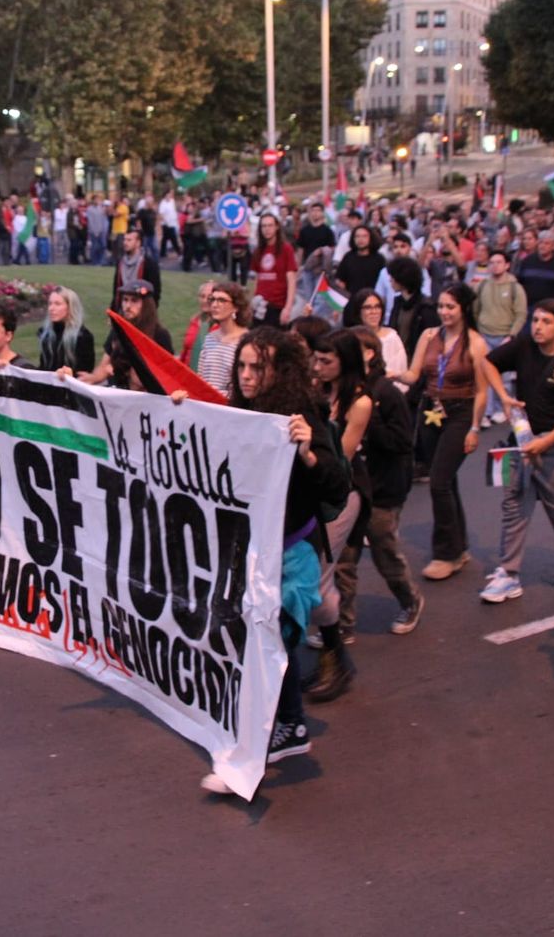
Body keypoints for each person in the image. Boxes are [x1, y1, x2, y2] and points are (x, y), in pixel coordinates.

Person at [200, 328, 350, 794]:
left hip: (290, 558)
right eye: (240, 367)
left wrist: (308, 454)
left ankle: (251, 760)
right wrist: (180, 411)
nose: (245, 376)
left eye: (256, 368)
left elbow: (336, 487)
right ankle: (291, 726)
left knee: (267, 653)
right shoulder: (239, 411)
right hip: (249, 554)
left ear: (279, 370)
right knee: (265, 652)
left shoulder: (304, 417)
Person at [478, 298, 554, 602]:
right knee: (515, 505)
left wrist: (547, 441)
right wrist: (503, 396)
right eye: (535, 320)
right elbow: (488, 362)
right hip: (522, 438)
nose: (538, 327)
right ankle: (509, 573)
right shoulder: (524, 345)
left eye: (546, 322)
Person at [395, 283, 491, 579]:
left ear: (463, 309)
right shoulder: (428, 336)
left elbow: (482, 391)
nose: (444, 312)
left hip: (460, 413)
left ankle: (446, 554)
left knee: (438, 482)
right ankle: (459, 547)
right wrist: (387, 373)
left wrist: (475, 428)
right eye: (441, 306)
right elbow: (413, 375)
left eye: (450, 306)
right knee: (447, 482)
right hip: (430, 411)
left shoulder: (475, 342)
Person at [334, 325, 423, 636]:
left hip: (383, 489)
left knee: (385, 552)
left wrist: (367, 421)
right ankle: (343, 623)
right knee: (343, 559)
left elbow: (402, 442)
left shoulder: (385, 393)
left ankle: (410, 600)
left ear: (369, 354)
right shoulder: (345, 390)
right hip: (352, 488)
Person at [304, 330, 371, 698]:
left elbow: (337, 459)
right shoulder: (317, 393)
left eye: (325, 361)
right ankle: (331, 654)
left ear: (344, 362)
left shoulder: (359, 403)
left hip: (342, 493)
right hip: (316, 488)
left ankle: (337, 659)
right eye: (315, 359)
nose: (317, 366)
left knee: (317, 575)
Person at [473, 249, 529, 425]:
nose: (495, 266)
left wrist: (512, 335)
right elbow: (476, 308)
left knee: (503, 377)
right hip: (485, 334)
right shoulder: (482, 285)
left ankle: (500, 408)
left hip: (504, 335)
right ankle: (487, 412)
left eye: (499, 262)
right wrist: (479, 329)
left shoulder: (515, 287)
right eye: (492, 262)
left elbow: (521, 313)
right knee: (484, 375)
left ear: (506, 265)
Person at [193, 282, 250, 395]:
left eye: (222, 300)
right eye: (212, 299)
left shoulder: (246, 340)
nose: (215, 305)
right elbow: (200, 376)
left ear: (236, 307)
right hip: (206, 403)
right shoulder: (209, 338)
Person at [251, 212, 298, 326]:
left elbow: (291, 280)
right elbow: (257, 279)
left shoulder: (286, 249)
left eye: (270, 225)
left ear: (277, 227)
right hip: (260, 305)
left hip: (278, 306)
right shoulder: (258, 250)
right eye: (264, 226)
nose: (267, 229)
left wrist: (287, 308)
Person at [36, 285, 95, 374]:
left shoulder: (83, 337)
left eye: (57, 304)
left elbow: (85, 372)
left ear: (70, 308)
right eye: (50, 303)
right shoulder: (46, 334)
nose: (51, 308)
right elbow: (43, 367)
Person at [111, 228, 161, 310]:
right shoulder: (121, 263)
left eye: (129, 240)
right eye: (125, 240)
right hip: (123, 310)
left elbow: (155, 292)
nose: (125, 243)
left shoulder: (148, 264)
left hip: (141, 312)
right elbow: (116, 289)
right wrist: (113, 310)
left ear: (138, 243)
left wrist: (149, 313)